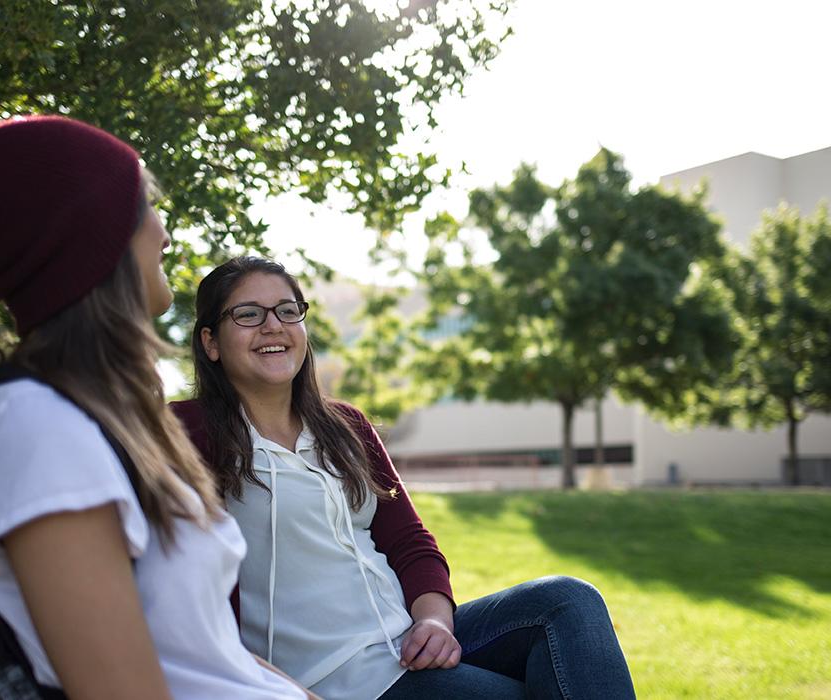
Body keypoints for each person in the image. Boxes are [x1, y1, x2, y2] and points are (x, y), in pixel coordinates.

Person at [0, 116, 309, 699]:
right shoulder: (37, 428)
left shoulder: (104, 417)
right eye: (146, 205)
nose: (164, 232)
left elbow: (211, 654)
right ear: (92, 235)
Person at [172, 256, 636, 699]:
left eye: (287, 311)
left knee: (567, 602)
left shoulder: (346, 426)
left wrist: (433, 622)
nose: (273, 325)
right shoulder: (185, 434)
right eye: (248, 314)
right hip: (338, 676)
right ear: (211, 342)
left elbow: (409, 540)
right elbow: (184, 594)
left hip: (404, 639)